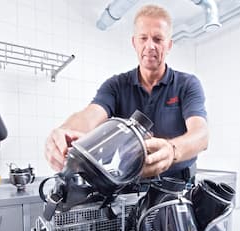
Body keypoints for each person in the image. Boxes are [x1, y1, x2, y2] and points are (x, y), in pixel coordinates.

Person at [44, 4, 209, 183]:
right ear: (134, 42)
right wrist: (64, 131)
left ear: (168, 45)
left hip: (179, 186)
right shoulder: (116, 85)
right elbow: (90, 115)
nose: (150, 46)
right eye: (143, 38)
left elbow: (201, 134)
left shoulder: (187, 84)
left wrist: (172, 150)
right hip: (130, 186)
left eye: (158, 39)